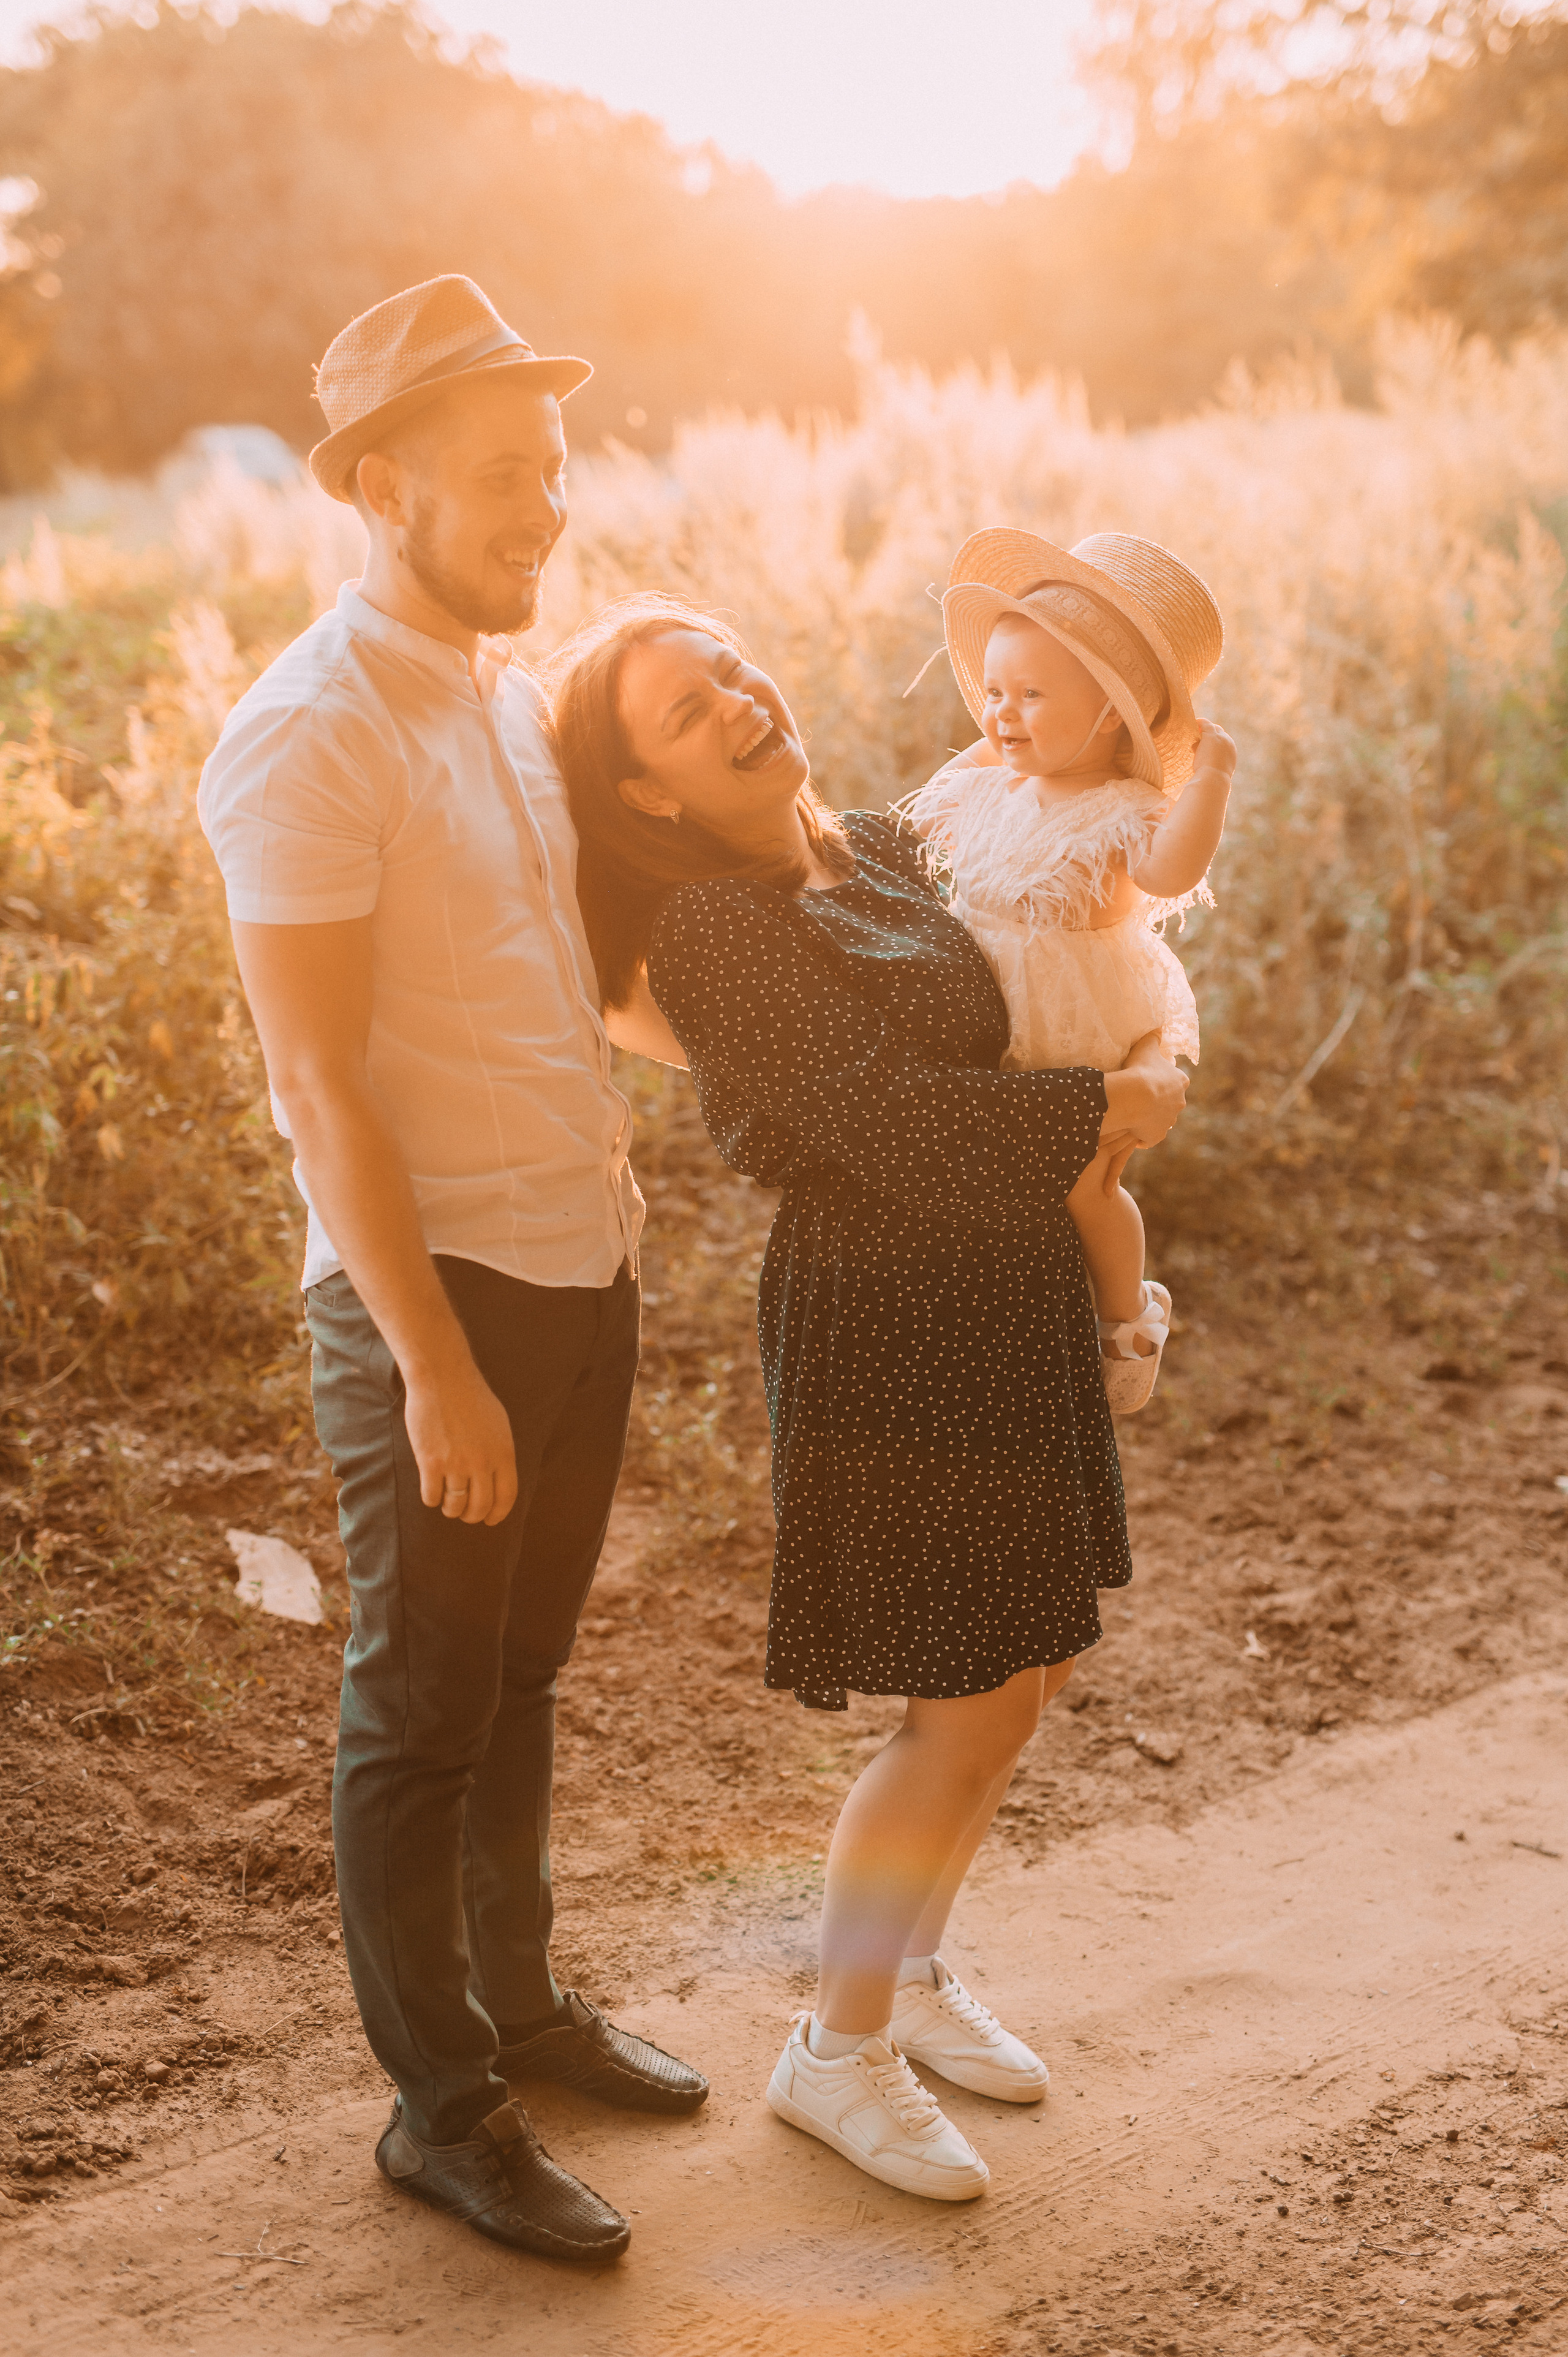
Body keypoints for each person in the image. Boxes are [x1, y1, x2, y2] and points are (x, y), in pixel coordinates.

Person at [545, 594, 1188, 2203]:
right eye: (690, 714)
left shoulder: (894, 844)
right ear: (649, 795)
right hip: (891, 1322)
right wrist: (1103, 1109)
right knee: (956, 1697)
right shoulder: (713, 929)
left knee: (1022, 1670)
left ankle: (905, 1973)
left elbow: (1057, 881)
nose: (741, 702)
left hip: (1010, 1288)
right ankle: (836, 2051)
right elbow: (876, 1122)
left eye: (733, 671)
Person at [197, 277, 706, 2267]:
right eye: (504, 474)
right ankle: (447, 2106)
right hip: (440, 1304)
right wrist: (432, 1364)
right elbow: (316, 1087)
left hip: (585, 1273)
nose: (546, 507)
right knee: (417, 1704)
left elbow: (578, 985)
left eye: (556, 469)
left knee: (522, 1675)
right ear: (376, 481)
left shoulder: (511, 691)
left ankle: (525, 2004)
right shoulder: (303, 734)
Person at [902, 529, 1235, 1412]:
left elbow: (1172, 875)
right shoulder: (994, 783)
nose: (1002, 714)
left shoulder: (1122, 810)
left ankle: (1128, 1321)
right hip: (982, 1024)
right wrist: (993, 737)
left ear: (1110, 715)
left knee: (1089, 1186)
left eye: (1033, 695)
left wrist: (1209, 780)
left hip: (1077, 1030)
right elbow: (918, 824)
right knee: (992, 1185)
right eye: (994, 692)